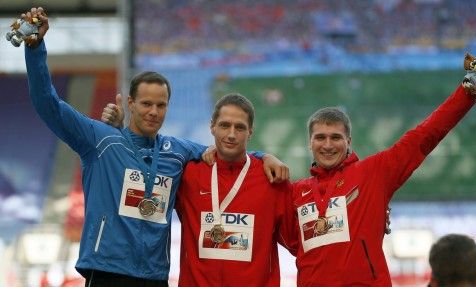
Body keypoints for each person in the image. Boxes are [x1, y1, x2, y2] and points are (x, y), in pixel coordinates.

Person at [21, 7, 287, 286]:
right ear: (130, 103)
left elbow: (226, 149)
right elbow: (47, 103)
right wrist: (35, 47)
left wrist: (263, 155)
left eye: (161, 105)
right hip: (107, 272)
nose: (153, 112)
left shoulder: (177, 150)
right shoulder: (100, 140)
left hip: (154, 276)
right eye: (146, 104)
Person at [290, 58, 476, 286]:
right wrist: (261, 157)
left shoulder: (373, 172)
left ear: (348, 141)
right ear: (310, 143)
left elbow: (423, 137)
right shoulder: (295, 193)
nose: (328, 145)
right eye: (320, 138)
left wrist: (467, 93)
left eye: (336, 137)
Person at [175, 93, 297, 286]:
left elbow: (298, 243)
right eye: (225, 125)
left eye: (239, 127)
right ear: (212, 127)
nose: (231, 134)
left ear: (250, 132)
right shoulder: (188, 175)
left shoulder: (271, 180)